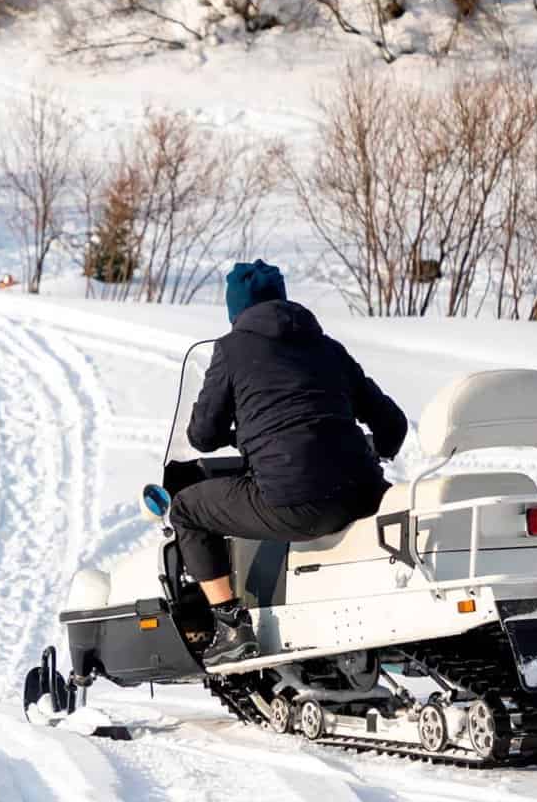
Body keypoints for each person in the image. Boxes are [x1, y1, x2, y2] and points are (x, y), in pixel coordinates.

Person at [170, 260, 408, 667]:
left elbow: (202, 436)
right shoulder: (328, 347)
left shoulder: (231, 349)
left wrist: (239, 431)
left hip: (296, 504)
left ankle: (231, 627)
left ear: (236, 310)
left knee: (187, 510)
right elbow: (393, 423)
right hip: (364, 495)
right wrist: (377, 449)